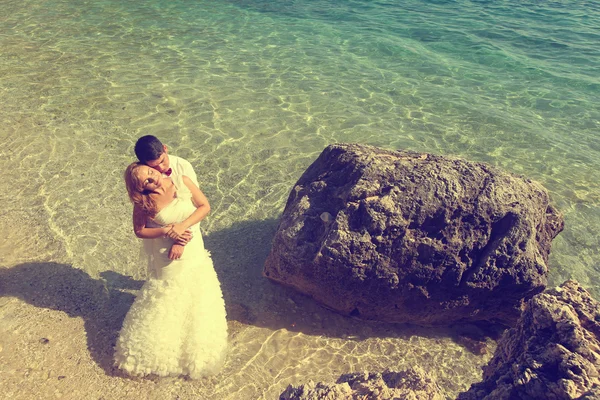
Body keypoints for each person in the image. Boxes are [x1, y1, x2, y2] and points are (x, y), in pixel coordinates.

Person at [114, 161, 228, 379]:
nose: (151, 177)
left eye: (150, 172)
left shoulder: (182, 181)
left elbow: (204, 207)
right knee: (168, 298)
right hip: (167, 256)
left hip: (193, 247)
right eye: (145, 180)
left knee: (198, 294)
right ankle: (158, 353)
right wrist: (167, 231)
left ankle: (197, 352)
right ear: (139, 188)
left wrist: (181, 230)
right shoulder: (144, 203)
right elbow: (140, 231)